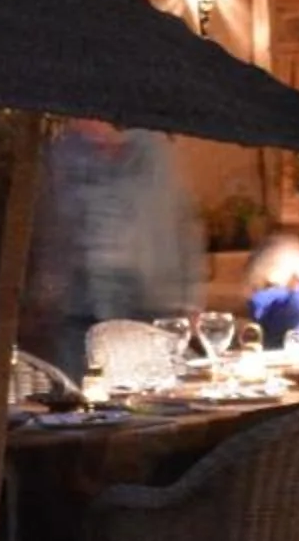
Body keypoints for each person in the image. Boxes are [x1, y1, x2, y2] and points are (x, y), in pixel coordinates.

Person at [28, 117, 199, 379]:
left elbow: (183, 223)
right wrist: (46, 288)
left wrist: (189, 300)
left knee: (150, 387)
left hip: (148, 301)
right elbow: (51, 225)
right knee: (83, 390)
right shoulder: (65, 154)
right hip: (81, 304)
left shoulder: (152, 152)